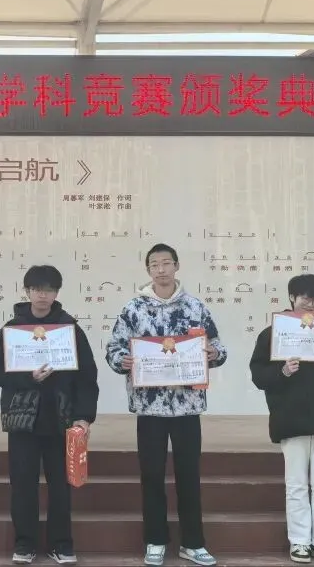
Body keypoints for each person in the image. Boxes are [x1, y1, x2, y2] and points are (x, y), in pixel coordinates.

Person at [105, 243, 227, 567]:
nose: (161, 269)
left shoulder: (195, 307)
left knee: (189, 476)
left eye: (166, 263)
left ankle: (193, 543)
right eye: (154, 264)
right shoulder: (134, 308)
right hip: (150, 407)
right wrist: (122, 360)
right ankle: (155, 540)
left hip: (187, 406)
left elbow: (217, 346)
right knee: (151, 475)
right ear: (148, 270)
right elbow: (114, 348)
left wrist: (214, 353)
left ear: (176, 266)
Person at [0, 265, 99, 566]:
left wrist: (84, 416)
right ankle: (25, 543)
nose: (42, 295)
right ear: (27, 292)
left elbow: (87, 376)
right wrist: (28, 378)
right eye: (36, 289)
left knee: (61, 486)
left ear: (56, 293)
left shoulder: (70, 329)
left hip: (61, 419)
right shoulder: (13, 329)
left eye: (48, 290)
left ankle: (61, 543)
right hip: (23, 420)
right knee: (23, 485)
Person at [248, 274, 314, 564]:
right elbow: (258, 376)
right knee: (297, 485)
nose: (310, 304)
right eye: (305, 297)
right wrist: (283, 371)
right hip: (290, 418)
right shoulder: (272, 334)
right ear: (292, 298)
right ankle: (300, 542)